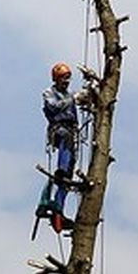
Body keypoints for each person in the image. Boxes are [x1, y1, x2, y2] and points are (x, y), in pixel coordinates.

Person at [40, 61, 81, 232]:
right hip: (59, 129)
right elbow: (53, 107)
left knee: (67, 177)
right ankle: (61, 170)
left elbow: (75, 114)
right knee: (64, 138)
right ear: (56, 79)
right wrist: (72, 99)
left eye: (68, 78)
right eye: (64, 78)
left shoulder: (69, 94)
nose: (67, 81)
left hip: (71, 130)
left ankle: (59, 209)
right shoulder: (49, 93)